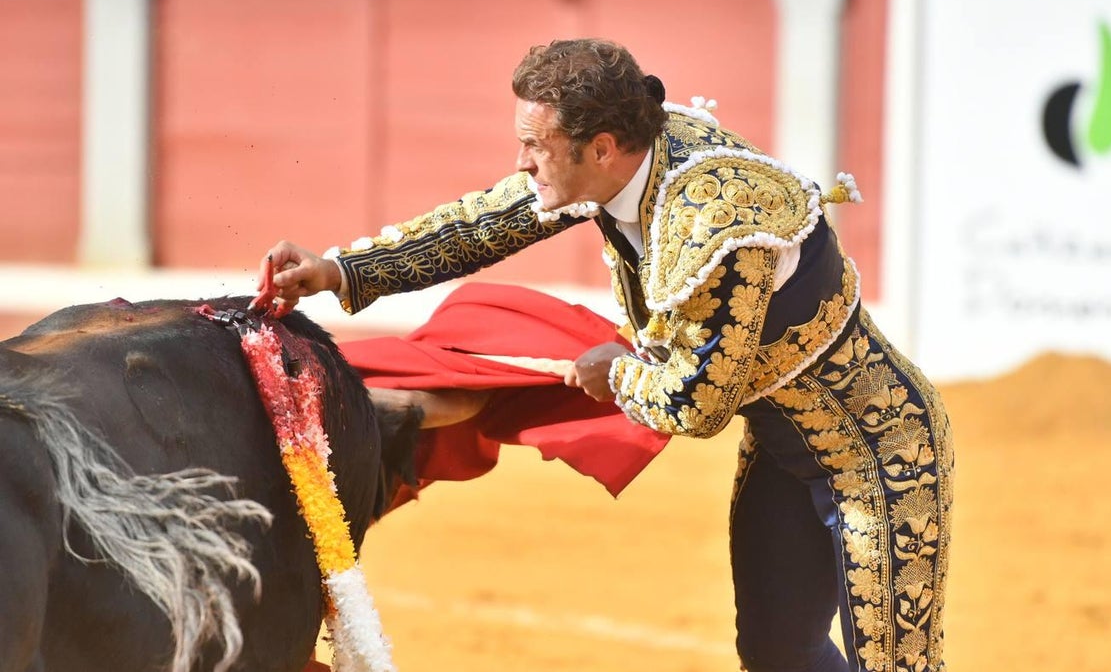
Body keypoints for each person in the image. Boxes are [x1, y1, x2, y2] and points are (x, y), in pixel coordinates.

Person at [260, 38, 953, 672]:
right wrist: (340, 270)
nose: (521, 161)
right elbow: (486, 220)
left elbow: (698, 402)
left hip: (882, 456)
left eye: (535, 144)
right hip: (782, 444)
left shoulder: (715, 226)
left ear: (600, 148)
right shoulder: (623, 161)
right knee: (776, 649)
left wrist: (613, 372)